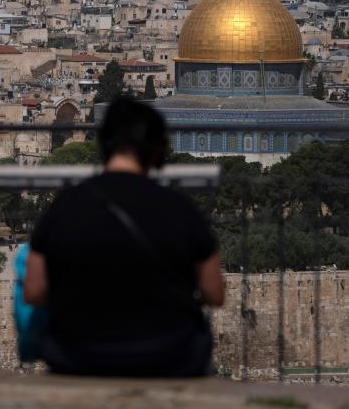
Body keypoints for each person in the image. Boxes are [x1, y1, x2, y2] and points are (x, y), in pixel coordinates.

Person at [24, 96, 224, 377]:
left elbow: (33, 291)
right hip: (168, 353)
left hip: (79, 354)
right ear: (156, 152)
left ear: (102, 146)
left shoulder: (64, 206)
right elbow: (214, 293)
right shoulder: (180, 208)